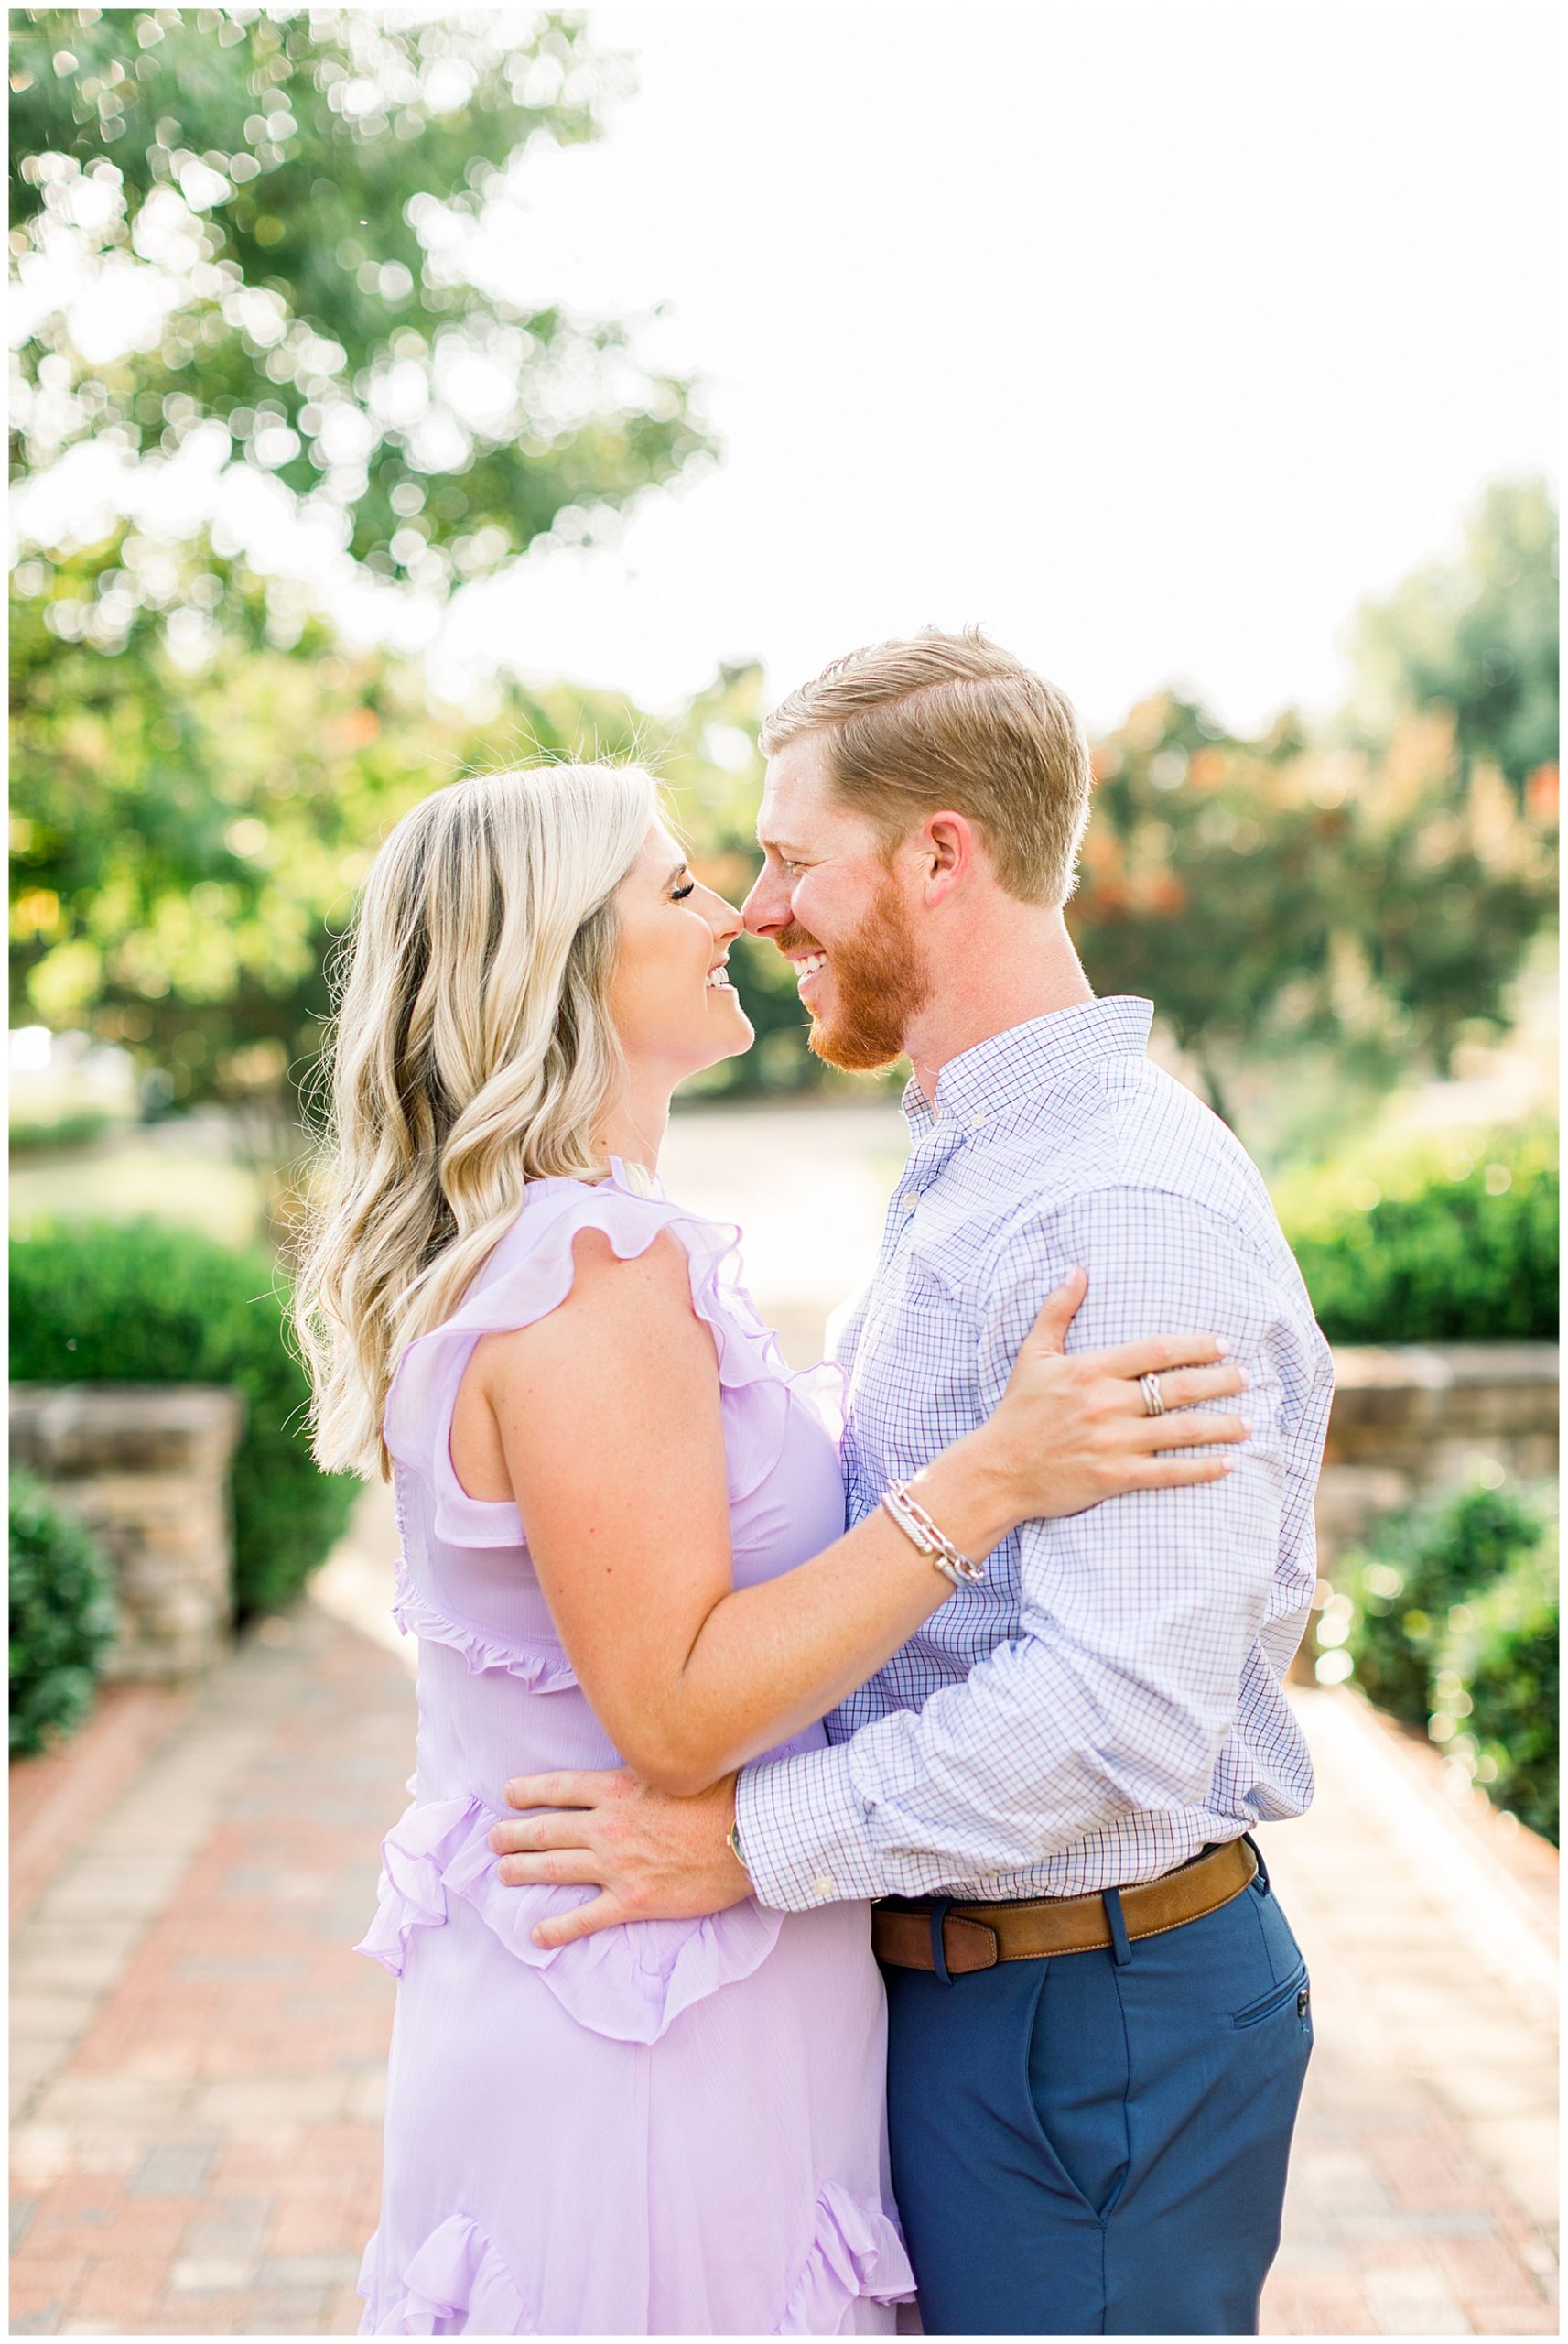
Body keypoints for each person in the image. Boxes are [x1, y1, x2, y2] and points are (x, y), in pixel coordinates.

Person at [293, 753, 1250, 2336]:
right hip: (651, 2024)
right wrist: (990, 1480)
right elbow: (672, 1709)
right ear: (558, 957)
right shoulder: (594, 1271)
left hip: (646, 1983)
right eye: (676, 888)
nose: (734, 910)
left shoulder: (567, 1247)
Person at [491, 632, 1336, 2337]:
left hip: (1086, 2022)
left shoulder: (1118, 1210)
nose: (756, 907)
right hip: (975, 1993)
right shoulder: (978, 1155)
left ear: (940, 855)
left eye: (793, 859)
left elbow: (1117, 1712)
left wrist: (741, 1841)